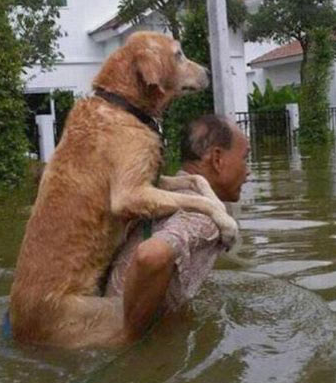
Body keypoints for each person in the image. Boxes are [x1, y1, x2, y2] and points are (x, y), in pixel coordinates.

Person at [103, 114, 250, 335]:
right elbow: (151, 255)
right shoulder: (203, 217)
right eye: (245, 158)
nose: (248, 170)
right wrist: (130, 337)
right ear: (217, 159)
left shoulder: (156, 196)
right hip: (113, 336)